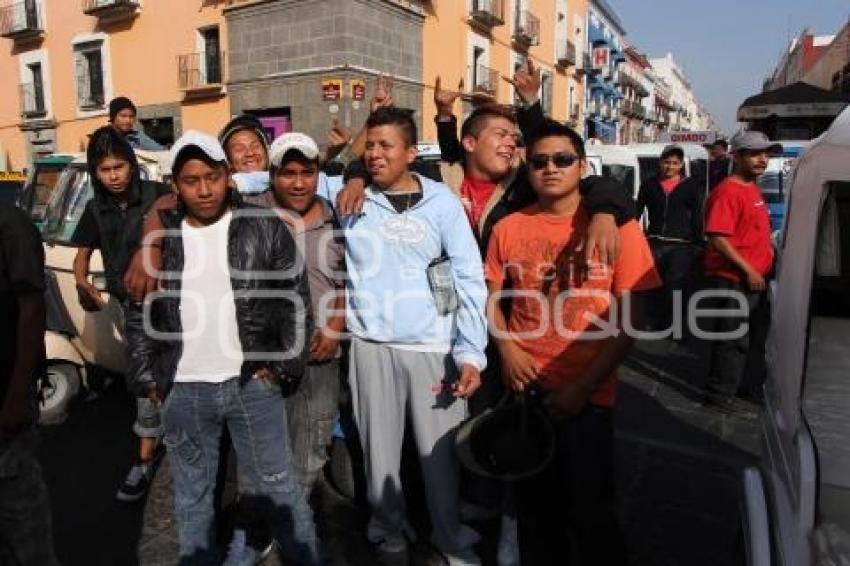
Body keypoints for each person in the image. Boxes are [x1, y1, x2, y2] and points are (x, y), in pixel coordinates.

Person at [123, 131, 319, 565]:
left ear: (228, 176)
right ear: (175, 184)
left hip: (251, 384)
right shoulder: (162, 241)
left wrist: (282, 367)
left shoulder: (262, 226)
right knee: (192, 500)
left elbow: (296, 300)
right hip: (184, 391)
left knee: (280, 490)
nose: (205, 189)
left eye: (212, 177)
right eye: (192, 180)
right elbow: (138, 314)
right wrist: (149, 380)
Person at [484, 119, 661, 565]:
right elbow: (489, 297)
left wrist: (584, 387)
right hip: (526, 391)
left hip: (589, 397)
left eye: (562, 159)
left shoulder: (618, 228)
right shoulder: (509, 227)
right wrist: (506, 347)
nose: (550, 168)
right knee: (535, 515)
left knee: (592, 513)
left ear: (582, 166)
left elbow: (630, 320)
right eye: (539, 161)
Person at [335, 106, 487, 565]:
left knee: (438, 457)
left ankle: (448, 536)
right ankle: (389, 532)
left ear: (409, 152)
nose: (375, 154)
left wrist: (470, 354)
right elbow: (267, 180)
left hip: (431, 349)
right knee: (378, 454)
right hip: (370, 347)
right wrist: (352, 176)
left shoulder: (442, 203)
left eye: (386, 146)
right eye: (370, 146)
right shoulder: (349, 197)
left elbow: (467, 279)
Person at [71, 126, 172, 502]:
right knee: (145, 381)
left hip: (177, 303)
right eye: (104, 169)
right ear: (95, 173)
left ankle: (185, 445)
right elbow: (82, 254)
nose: (113, 175)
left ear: (131, 165)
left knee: (183, 375)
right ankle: (145, 460)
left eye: (118, 166)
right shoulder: (95, 209)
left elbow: (181, 211)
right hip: (133, 308)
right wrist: (83, 283)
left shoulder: (157, 195)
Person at [699, 131, 778, 407]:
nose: (763, 160)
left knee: (752, 338)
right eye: (755, 154)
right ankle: (719, 396)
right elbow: (718, 238)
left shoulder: (751, 188)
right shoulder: (728, 192)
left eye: (766, 154)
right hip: (734, 279)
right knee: (731, 339)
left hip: (754, 277)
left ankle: (743, 386)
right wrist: (749, 270)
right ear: (738, 156)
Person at [0, 203, 59, 566]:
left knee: (24, 532)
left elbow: (32, 307)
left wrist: (20, 390)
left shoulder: (9, 222)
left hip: (5, 398)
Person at [635, 144, 705, 332]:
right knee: (652, 285)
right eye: (667, 162)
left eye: (675, 163)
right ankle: (654, 321)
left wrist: (699, 241)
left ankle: (676, 325)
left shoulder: (690, 186)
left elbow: (698, 215)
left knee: (677, 287)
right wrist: (632, 237)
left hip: (681, 244)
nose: (670, 166)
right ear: (660, 163)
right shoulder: (649, 185)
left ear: (681, 165)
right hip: (654, 242)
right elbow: (637, 211)